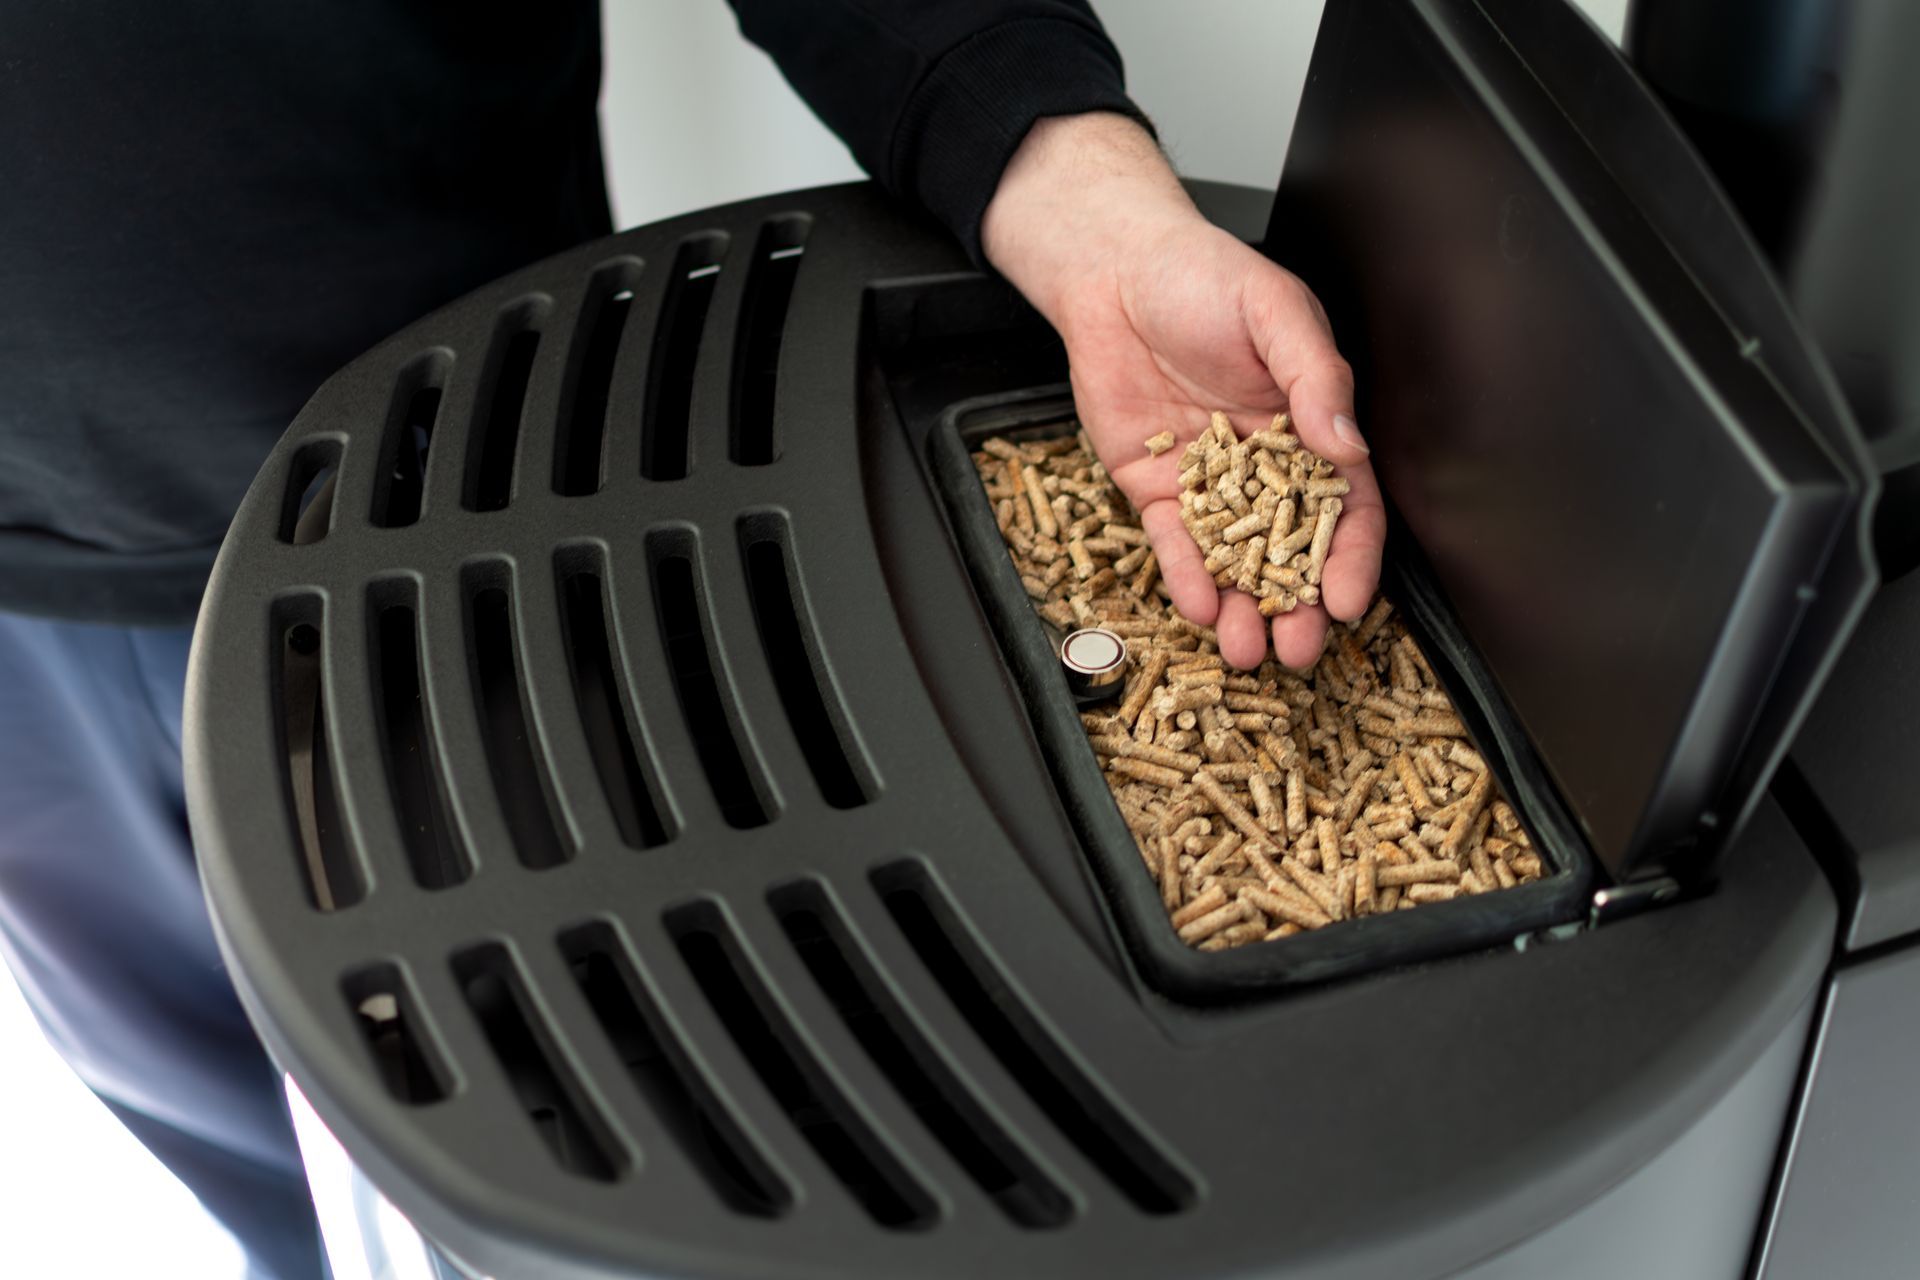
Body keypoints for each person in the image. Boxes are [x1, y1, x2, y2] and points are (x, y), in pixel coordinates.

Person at [0, 3, 1377, 1277]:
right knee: (221, 1124)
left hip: (466, 524)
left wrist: (1087, 200)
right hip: (22, 660)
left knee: (580, 1133)